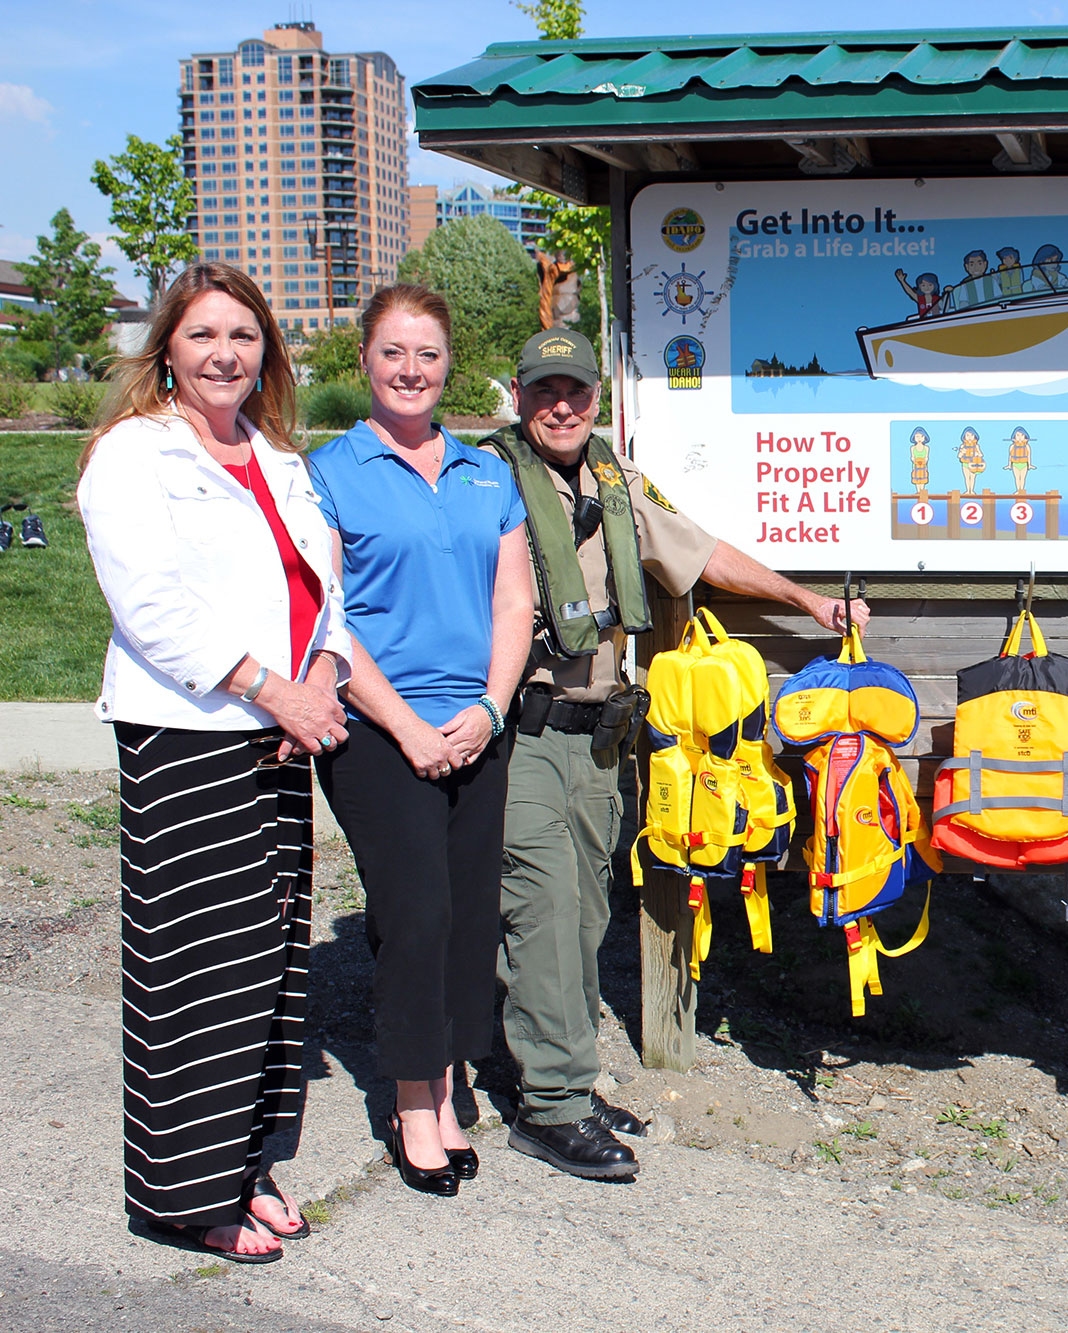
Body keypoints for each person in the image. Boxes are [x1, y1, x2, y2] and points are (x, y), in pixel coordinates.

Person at [479, 328, 868, 1180]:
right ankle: (548, 1106)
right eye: (545, 389)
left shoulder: (613, 481)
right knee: (542, 914)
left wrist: (802, 595)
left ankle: (567, 1082)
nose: (562, 405)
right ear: (520, 392)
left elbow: (700, 553)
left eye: (576, 390)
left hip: (599, 739)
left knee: (583, 920)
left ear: (597, 397)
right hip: (524, 733)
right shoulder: (485, 478)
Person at [80, 262, 350, 1262]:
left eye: (243, 336)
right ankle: (181, 1194)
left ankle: (243, 1163)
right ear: (167, 349)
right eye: (204, 335)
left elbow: (326, 583)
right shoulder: (131, 456)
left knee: (267, 968)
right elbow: (148, 605)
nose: (226, 353)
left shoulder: (273, 454)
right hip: (188, 735)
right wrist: (267, 685)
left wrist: (321, 671)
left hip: (276, 734)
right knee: (193, 966)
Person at [308, 285, 535, 1198]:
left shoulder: (489, 472)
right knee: (417, 913)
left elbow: (512, 600)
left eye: (429, 355)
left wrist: (489, 706)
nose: (411, 371)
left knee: (472, 913)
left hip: (477, 722)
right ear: (364, 359)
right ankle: (413, 1097)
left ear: (449, 365)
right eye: (394, 352)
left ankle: (450, 1077)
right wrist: (404, 725)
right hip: (374, 727)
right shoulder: (327, 471)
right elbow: (325, 616)